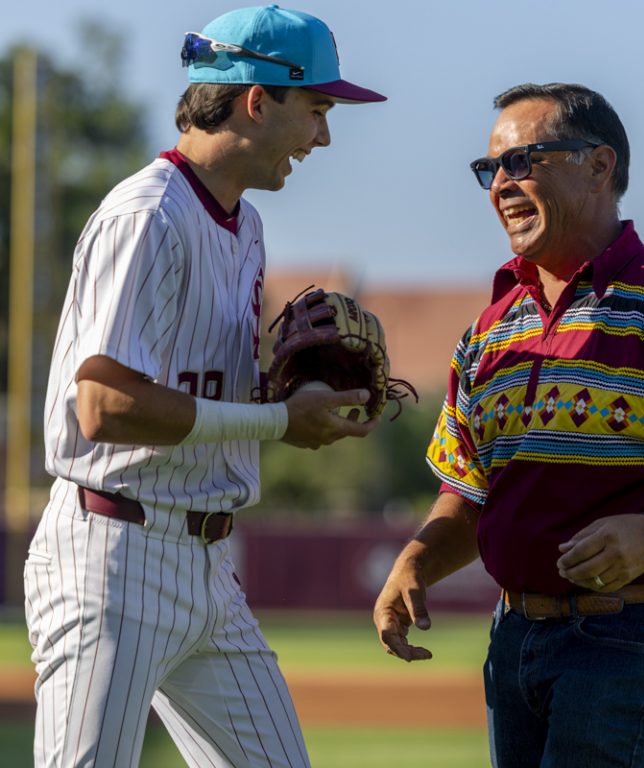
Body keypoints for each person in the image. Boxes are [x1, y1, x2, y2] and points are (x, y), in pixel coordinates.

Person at [24, 6, 386, 767]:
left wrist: (287, 397)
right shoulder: (147, 215)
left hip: (208, 563)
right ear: (258, 99)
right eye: (317, 109)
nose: (322, 136)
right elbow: (103, 406)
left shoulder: (244, 224)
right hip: (113, 555)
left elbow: (195, 390)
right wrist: (277, 423)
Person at [373, 82, 644, 768]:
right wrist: (416, 561)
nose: (501, 184)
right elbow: (469, 492)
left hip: (633, 628)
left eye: (523, 160)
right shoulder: (488, 334)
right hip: (515, 633)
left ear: (599, 164)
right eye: (489, 169)